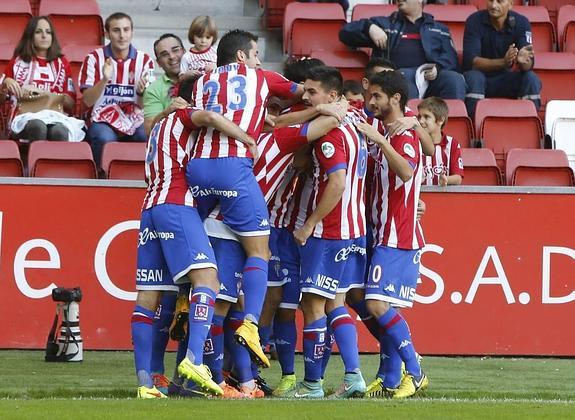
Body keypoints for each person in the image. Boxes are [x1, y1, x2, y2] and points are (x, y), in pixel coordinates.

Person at [131, 77, 256, 399]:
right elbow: (212, 118)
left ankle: (145, 384)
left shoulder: (159, 127)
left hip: (149, 209)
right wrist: (246, 139)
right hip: (176, 205)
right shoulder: (184, 116)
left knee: (149, 298)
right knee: (209, 281)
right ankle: (194, 360)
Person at [185, 29, 303, 370]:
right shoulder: (261, 77)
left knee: (199, 251)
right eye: (254, 54)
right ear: (241, 57)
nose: (258, 60)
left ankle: (184, 303)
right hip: (231, 167)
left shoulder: (202, 81)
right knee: (259, 250)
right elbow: (301, 94)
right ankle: (251, 322)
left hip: (197, 169)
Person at [288, 66, 367, 399]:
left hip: (328, 230)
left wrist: (309, 223)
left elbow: (336, 182)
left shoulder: (330, 134)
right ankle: (353, 377)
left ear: (333, 97)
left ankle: (312, 384)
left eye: (312, 92)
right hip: (353, 228)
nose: (306, 97)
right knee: (336, 302)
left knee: (312, 304)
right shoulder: (353, 123)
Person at [355, 70, 428, 399]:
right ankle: (388, 376)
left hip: (397, 235)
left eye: (377, 97)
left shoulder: (402, 134)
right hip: (380, 231)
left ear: (395, 98)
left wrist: (381, 140)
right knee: (372, 304)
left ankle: (415, 371)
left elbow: (407, 170)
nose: (371, 101)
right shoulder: (391, 130)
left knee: (377, 303)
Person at [339, 0, 465, 101]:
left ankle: (450, 129)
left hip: (430, 78)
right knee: (404, 76)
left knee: (454, 79)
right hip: (396, 76)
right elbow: (345, 33)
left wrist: (437, 68)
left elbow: (451, 59)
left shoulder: (440, 29)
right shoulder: (386, 24)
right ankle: (407, 129)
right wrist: (369, 27)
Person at [79, 12, 154, 167]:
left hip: (133, 118)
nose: (122, 35)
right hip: (101, 119)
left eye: (126, 30)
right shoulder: (93, 58)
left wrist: (141, 92)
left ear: (132, 32)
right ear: (107, 34)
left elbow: (145, 105)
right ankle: (101, 177)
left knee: (145, 134)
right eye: (116, 30)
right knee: (104, 138)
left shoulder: (145, 61)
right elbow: (87, 100)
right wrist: (104, 80)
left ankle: (144, 178)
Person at [1, 16, 81, 142]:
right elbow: (1, 100)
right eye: (38, 32)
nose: (44, 36)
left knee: (59, 131)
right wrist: (6, 83)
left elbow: (70, 104)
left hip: (55, 116)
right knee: (38, 126)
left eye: (48, 32)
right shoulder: (17, 62)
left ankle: (54, 162)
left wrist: (49, 96)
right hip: (24, 116)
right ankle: (34, 161)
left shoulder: (62, 63)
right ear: (30, 36)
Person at [462, 0, 541, 118]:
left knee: (531, 78)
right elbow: (471, 62)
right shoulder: (474, 21)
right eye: (490, 0)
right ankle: (474, 128)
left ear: (510, 4)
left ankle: (528, 123)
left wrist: (523, 61)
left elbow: (528, 64)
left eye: (499, 1)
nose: (494, 5)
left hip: (507, 79)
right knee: (474, 78)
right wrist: (503, 62)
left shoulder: (521, 22)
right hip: (480, 78)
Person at [143, 33, 186, 136]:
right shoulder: (153, 90)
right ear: (158, 62)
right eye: (164, 54)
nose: (171, 56)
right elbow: (149, 131)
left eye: (175, 50)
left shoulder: (202, 78)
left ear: (184, 52)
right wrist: (167, 112)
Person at [417, 97, 464, 186]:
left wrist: (446, 179)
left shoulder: (452, 143)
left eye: (426, 117)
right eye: (419, 117)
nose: (421, 121)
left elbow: (458, 178)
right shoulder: (414, 142)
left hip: (442, 198)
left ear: (440, 120)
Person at [180, 16, 218, 80]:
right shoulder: (187, 57)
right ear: (192, 35)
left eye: (208, 37)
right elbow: (181, 78)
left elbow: (226, 67)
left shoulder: (216, 51)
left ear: (213, 38)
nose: (203, 41)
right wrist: (187, 75)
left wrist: (216, 66)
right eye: (199, 36)